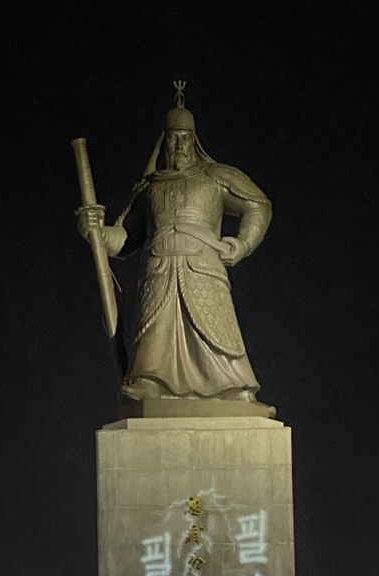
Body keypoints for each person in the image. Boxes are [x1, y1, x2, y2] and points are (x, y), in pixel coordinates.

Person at [79, 88, 272, 405]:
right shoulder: (150, 188)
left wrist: (244, 243)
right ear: (164, 141)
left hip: (203, 268)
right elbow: (125, 239)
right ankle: (150, 383)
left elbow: (258, 205)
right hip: (160, 269)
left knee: (215, 332)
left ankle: (233, 388)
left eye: (185, 137)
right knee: (155, 336)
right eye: (173, 138)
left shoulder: (214, 176)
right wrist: (96, 232)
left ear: (195, 140)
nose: (179, 145)